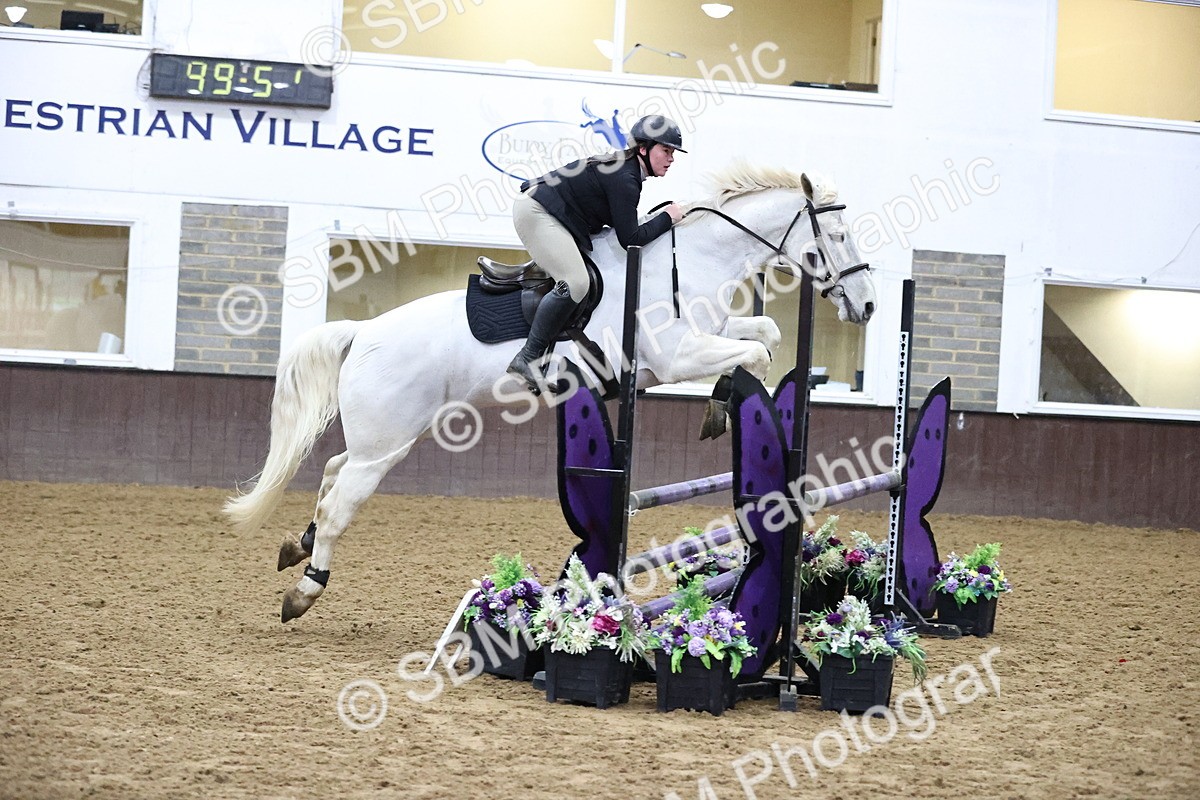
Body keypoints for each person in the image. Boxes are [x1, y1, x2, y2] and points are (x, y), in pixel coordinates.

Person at [506, 114, 687, 391]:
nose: (671, 159)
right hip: (537, 212)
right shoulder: (626, 179)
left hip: (553, 214)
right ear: (643, 148)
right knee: (576, 283)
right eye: (666, 150)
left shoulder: (627, 171)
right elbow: (631, 240)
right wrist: (667, 218)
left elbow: (623, 228)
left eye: (673, 153)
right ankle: (528, 357)